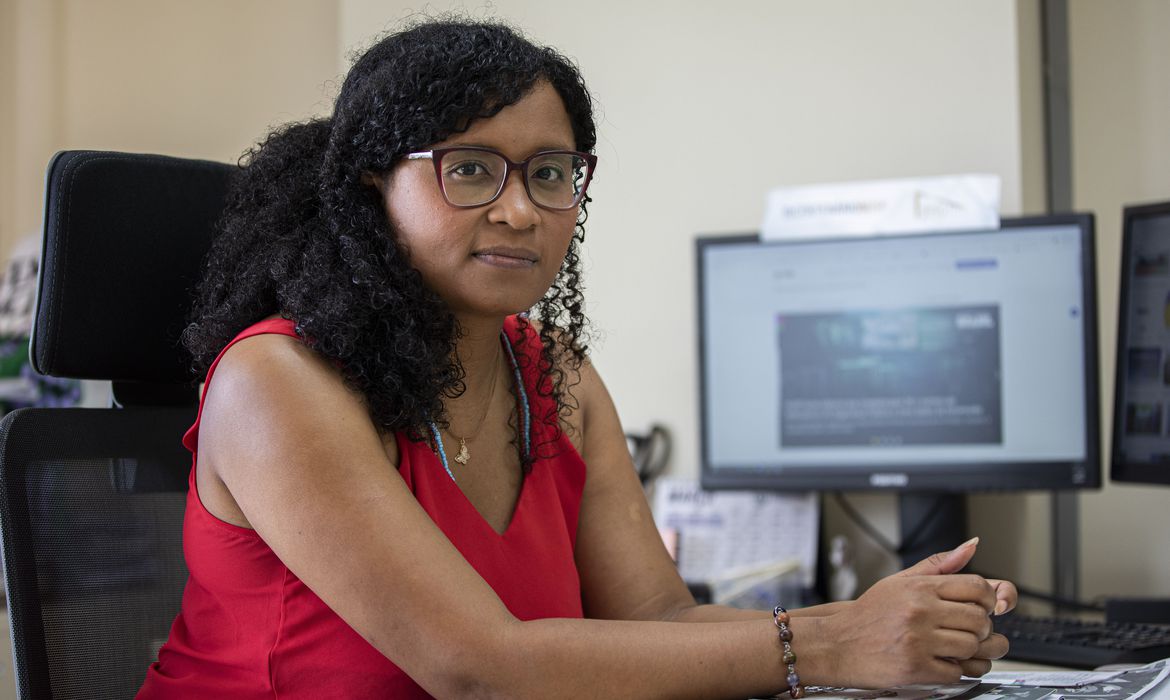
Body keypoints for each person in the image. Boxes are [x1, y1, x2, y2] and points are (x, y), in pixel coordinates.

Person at [137, 18, 1017, 699]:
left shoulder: (553, 376)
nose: (522, 210)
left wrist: (882, 623)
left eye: (551, 173)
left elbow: (662, 619)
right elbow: (477, 670)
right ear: (373, 187)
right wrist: (827, 643)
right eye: (471, 169)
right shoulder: (279, 382)